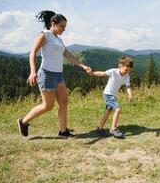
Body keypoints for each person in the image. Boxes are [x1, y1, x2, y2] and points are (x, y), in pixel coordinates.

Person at [17, 10, 92, 138]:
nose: (64, 29)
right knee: (48, 105)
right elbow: (33, 53)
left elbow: (68, 55)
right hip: (46, 74)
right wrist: (33, 71)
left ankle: (63, 131)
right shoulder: (44, 35)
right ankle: (23, 122)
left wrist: (83, 66)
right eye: (62, 26)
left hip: (58, 75)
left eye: (65, 26)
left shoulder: (59, 40)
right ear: (53, 23)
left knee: (63, 101)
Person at [88, 56, 133, 138]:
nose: (127, 72)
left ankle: (100, 128)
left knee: (108, 111)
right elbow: (102, 73)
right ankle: (113, 129)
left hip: (113, 95)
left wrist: (130, 94)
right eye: (126, 70)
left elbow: (128, 86)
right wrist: (92, 73)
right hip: (108, 94)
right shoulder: (113, 71)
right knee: (118, 109)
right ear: (120, 66)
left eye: (129, 70)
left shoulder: (127, 77)